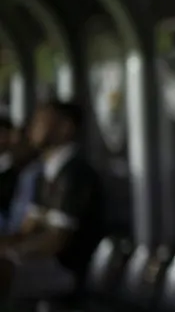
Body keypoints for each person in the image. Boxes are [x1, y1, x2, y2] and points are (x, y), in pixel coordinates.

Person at [0, 101, 104, 301]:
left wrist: (12, 253)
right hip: (40, 261)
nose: (32, 127)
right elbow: (27, 229)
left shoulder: (75, 173)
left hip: (67, 271)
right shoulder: (45, 173)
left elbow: (56, 241)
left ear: (65, 128)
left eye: (41, 121)